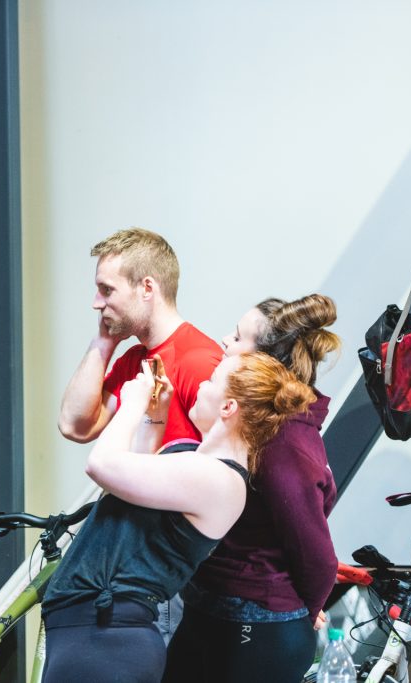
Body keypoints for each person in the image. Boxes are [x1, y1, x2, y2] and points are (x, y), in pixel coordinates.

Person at [42, 353, 316, 683]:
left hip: (106, 641)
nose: (202, 383)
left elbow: (101, 465)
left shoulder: (220, 480)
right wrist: (155, 418)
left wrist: (132, 402)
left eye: (212, 380)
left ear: (228, 408)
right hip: (94, 637)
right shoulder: (197, 462)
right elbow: (129, 496)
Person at [163, 294, 341, 683]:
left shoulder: (282, 441)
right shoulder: (255, 427)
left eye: (239, 337)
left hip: (257, 623)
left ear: (265, 361)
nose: (225, 340)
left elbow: (317, 556)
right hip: (212, 610)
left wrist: (300, 611)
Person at [58, 228, 222, 448]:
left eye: (107, 290)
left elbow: (226, 465)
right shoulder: (133, 360)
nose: (96, 303)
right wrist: (104, 342)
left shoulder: (199, 361)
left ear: (146, 288)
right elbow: (74, 426)